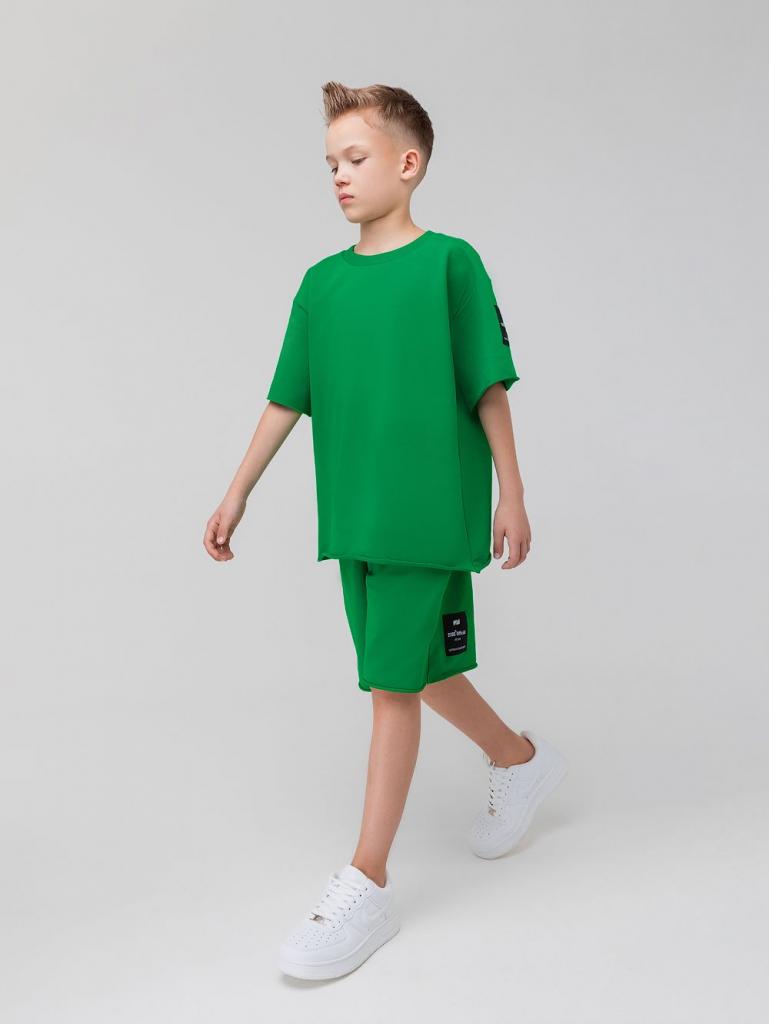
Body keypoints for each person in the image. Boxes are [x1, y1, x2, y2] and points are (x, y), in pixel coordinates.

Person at [203, 81, 568, 981]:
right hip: (354, 514)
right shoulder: (320, 284)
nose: (338, 174)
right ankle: (519, 759)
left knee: (389, 688)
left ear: (409, 164)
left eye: (355, 158)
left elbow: (487, 382)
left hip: (428, 509)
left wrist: (512, 492)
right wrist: (237, 490)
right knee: (414, 666)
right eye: (330, 162)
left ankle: (366, 883)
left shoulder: (450, 264)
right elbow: (286, 396)